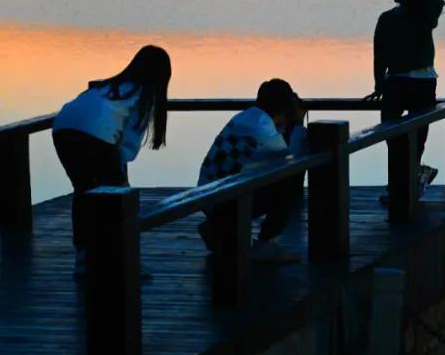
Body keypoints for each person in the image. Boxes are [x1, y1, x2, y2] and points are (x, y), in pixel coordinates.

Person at [51, 45, 172, 276]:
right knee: (119, 201)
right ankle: (127, 262)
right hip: (96, 134)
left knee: (83, 192)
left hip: (63, 129)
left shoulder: (107, 86)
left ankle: (83, 258)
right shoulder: (142, 94)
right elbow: (130, 143)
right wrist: (119, 175)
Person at [196, 79, 304, 264]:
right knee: (287, 181)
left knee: (260, 178)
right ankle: (265, 244)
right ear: (284, 109)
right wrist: (299, 124)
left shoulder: (244, 117)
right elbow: (292, 158)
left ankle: (218, 227)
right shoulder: (264, 130)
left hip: (206, 197)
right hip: (223, 201)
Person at [367, 0, 445, 199]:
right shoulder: (387, 18)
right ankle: (400, 185)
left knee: (418, 137)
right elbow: (379, 54)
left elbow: (438, 1)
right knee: (392, 136)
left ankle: (408, 183)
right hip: (396, 82)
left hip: (423, 81)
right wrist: (379, 84)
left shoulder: (423, 17)